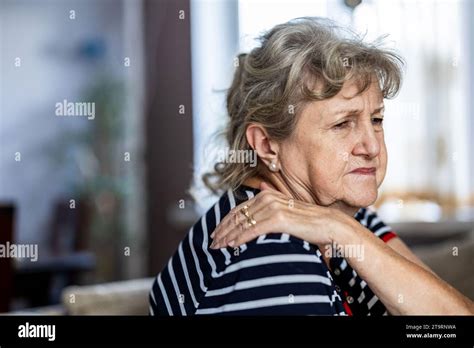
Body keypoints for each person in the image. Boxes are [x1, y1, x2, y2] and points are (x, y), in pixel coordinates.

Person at [149, 17, 474, 315]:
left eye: (376, 120)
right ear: (266, 144)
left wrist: (341, 229)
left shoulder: (345, 217)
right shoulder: (272, 253)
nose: (372, 146)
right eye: (342, 124)